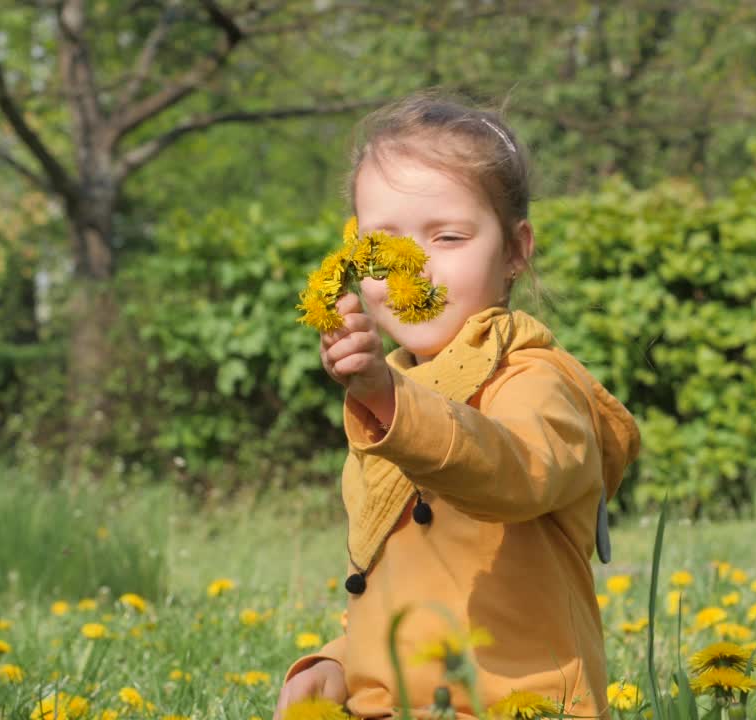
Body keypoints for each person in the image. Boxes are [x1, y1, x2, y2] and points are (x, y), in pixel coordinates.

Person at [273, 89, 640, 720]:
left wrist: (393, 405)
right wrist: (337, 663)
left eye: (447, 236)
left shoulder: (534, 381)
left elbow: (510, 473)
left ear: (515, 251)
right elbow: (401, 584)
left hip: (517, 706)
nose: (414, 268)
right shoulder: (387, 394)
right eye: (383, 247)